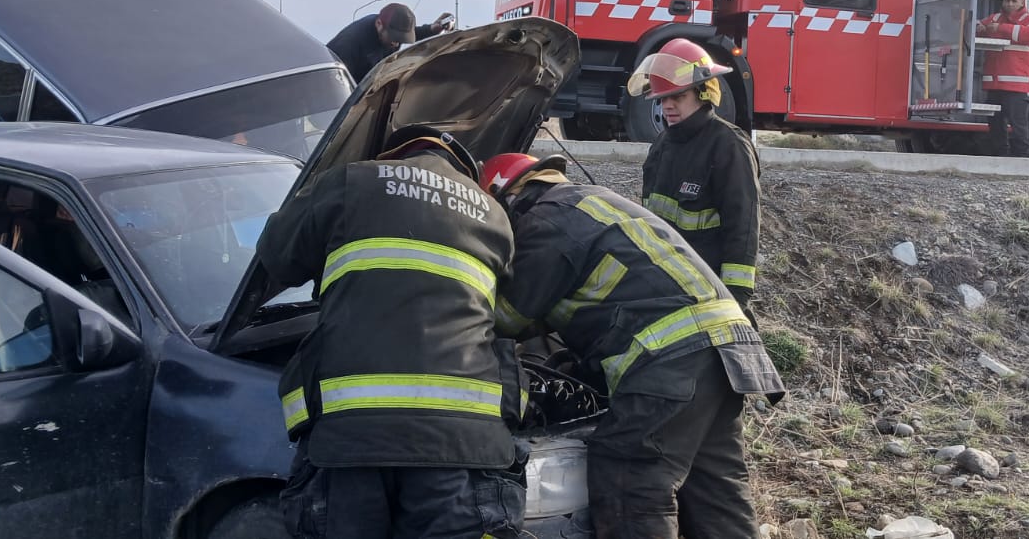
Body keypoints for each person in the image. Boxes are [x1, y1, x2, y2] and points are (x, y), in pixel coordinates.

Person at [479, 152, 784, 539]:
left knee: (630, 483)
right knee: (715, 496)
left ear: (505, 199)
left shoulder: (545, 220)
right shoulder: (593, 202)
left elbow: (504, 318)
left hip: (671, 359)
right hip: (728, 353)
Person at [257, 125, 525, 539]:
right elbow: (503, 310)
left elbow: (276, 254)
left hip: (352, 442)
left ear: (390, 156)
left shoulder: (352, 180)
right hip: (464, 445)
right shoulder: (493, 214)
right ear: (463, 170)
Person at [627, 38, 761, 322]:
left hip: (709, 293)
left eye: (678, 96)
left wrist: (735, 300)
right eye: (662, 98)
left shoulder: (729, 146)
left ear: (702, 93)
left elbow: (743, 230)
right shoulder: (661, 145)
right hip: (666, 288)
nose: (668, 106)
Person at [976, 0, 1029, 158]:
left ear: (1022, 2)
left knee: (1018, 125)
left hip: (1016, 85)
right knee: (996, 125)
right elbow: (978, 27)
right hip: (995, 84)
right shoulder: (995, 18)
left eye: (1014, 1)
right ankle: (1001, 158)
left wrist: (1001, 28)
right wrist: (977, 26)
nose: (1010, 4)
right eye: (1007, 1)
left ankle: (1021, 160)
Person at [327, 3, 456, 81]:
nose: (396, 44)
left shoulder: (388, 30)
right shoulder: (350, 44)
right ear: (379, 24)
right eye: (394, 38)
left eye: (401, 40)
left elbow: (410, 33)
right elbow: (339, 83)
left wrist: (432, 29)